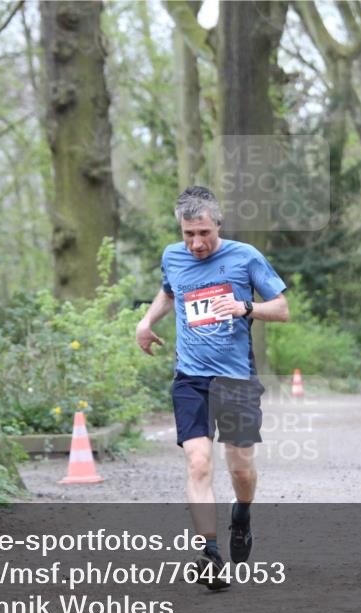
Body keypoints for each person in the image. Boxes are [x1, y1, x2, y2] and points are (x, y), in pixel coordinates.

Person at [135, 186, 289, 590]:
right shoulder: (173, 256)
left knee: (240, 466)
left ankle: (242, 512)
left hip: (236, 377)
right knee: (199, 462)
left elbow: (284, 308)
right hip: (191, 377)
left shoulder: (246, 257)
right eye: (189, 234)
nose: (196, 243)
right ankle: (210, 552)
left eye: (204, 233)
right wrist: (146, 322)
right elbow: (170, 290)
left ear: (218, 225)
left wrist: (247, 307)